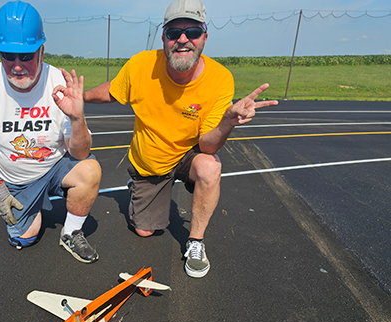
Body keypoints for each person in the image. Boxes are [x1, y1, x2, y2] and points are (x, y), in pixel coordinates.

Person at [84, 0, 278, 277]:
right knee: (144, 231)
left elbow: (208, 145)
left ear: (204, 37)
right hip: (152, 159)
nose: (183, 39)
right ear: (164, 37)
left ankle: (196, 242)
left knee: (210, 165)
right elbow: (113, 91)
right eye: (174, 33)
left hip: (189, 151)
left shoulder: (220, 79)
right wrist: (80, 97)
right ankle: (139, 185)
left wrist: (227, 122)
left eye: (192, 32)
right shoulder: (141, 65)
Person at [0, 1, 101, 263]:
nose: (17, 65)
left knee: (90, 170)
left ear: (41, 51)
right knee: (24, 238)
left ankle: (71, 232)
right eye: (7, 55)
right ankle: (31, 211)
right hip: (16, 178)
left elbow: (80, 152)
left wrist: (77, 117)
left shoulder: (58, 82)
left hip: (55, 165)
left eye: (26, 56)